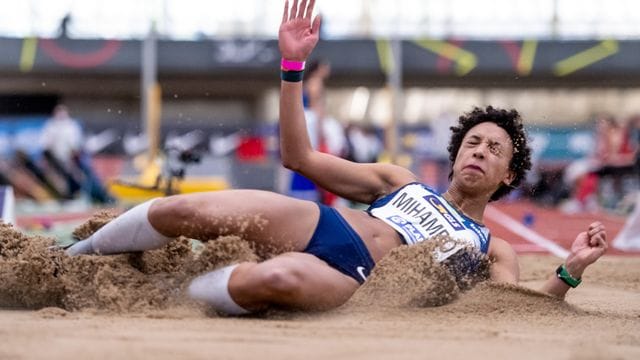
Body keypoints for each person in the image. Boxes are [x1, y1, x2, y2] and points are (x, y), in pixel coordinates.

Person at [66, 0, 608, 315]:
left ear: (508, 174)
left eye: (494, 149)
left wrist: (571, 269)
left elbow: (520, 300)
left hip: (355, 276)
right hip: (321, 224)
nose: (480, 151)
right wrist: (291, 68)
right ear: (454, 154)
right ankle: (73, 256)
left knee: (269, 284)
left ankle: (163, 296)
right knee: (181, 212)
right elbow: (298, 156)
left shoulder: (493, 248)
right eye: (473, 141)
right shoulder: (400, 180)